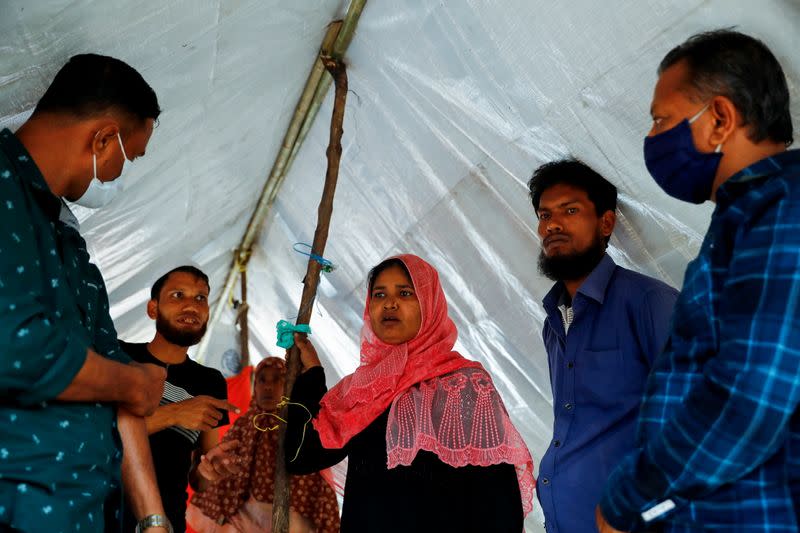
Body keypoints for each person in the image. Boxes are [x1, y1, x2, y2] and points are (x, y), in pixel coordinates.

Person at [597, 30, 799, 532]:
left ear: (719, 120)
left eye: (661, 120)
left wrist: (630, 500)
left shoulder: (783, 211)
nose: (653, 139)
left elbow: (752, 396)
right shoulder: (749, 216)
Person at [0, 53, 170, 532]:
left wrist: (154, 519)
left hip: (84, 509)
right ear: (101, 138)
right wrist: (134, 384)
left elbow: (112, 365)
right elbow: (16, 347)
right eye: (128, 157)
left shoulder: (65, 238)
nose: (119, 174)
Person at [284, 254, 534, 532]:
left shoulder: (464, 385)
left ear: (429, 305)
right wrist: (312, 376)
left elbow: (500, 503)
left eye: (405, 293)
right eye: (379, 295)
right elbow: (300, 456)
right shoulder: (360, 390)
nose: (390, 303)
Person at [529, 160, 678, 532]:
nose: (553, 225)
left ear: (606, 223)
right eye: (545, 214)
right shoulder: (554, 322)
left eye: (570, 210)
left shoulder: (649, 302)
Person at [109, 266, 240, 532]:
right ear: (153, 309)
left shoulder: (210, 382)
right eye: (178, 295)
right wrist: (175, 413)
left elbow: (200, 473)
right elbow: (97, 434)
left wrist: (206, 472)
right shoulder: (118, 356)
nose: (191, 306)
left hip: (166, 521)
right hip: (103, 513)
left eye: (200, 298)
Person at [186, 356, 341, 533]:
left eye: (277, 379)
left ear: (288, 384)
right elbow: (215, 477)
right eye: (262, 380)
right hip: (239, 522)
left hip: (292, 520)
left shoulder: (300, 425)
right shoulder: (243, 426)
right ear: (255, 385)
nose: (268, 386)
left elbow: (315, 484)